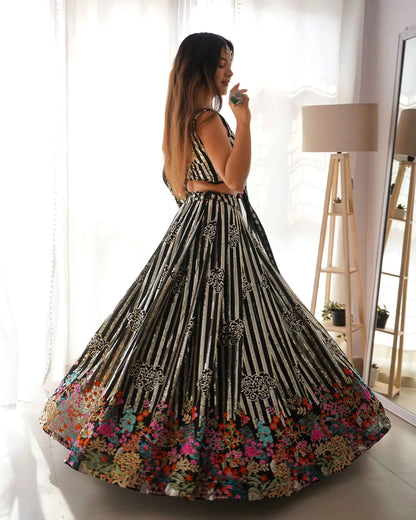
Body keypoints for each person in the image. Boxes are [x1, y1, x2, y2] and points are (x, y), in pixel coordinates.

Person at [40, 32, 391, 501]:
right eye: (223, 63)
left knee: (172, 323)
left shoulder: (180, 119)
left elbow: (182, 185)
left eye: (230, 63)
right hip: (219, 231)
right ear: (202, 68)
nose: (229, 72)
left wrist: (212, 186)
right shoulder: (208, 118)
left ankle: (136, 439)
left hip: (191, 226)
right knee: (250, 323)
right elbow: (236, 179)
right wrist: (244, 122)